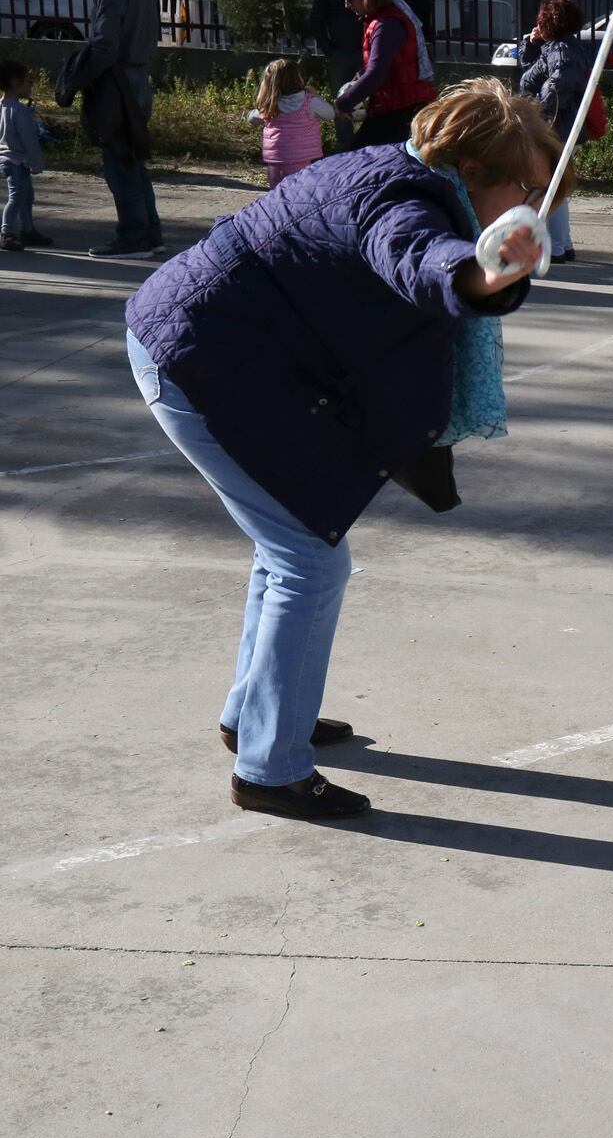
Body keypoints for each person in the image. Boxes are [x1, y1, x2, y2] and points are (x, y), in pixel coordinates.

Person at [123, 80, 562, 820]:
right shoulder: (403, 202)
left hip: (212, 349)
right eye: (530, 189)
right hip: (195, 358)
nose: (538, 208)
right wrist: (481, 273)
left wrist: (483, 271)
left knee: (290, 546)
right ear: (477, 172)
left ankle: (259, 714)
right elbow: (418, 257)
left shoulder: (401, 170)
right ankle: (270, 768)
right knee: (310, 559)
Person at [55, 0, 161, 260]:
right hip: (138, 78)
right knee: (132, 159)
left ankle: (133, 237)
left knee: (120, 163)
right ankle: (149, 234)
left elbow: (104, 45)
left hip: (118, 84)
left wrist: (72, 80)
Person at [516, 0, 594, 264]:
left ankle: (558, 247)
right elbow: (532, 72)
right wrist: (533, 44)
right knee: (553, 184)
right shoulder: (555, 47)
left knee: (549, 185)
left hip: (553, 126)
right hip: (554, 124)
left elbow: (561, 82)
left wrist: (537, 109)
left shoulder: (561, 49)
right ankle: (564, 244)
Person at [334, 0, 436, 151]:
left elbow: (377, 72)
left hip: (401, 108)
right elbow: (383, 62)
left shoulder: (386, 23)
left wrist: (344, 103)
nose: (347, 5)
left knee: (360, 158)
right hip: (398, 104)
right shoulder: (381, 19)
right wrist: (360, 76)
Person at [245, 58, 336, 188]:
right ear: (298, 78)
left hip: (275, 164)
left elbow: (251, 118)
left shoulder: (270, 107)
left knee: (278, 196)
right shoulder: (310, 102)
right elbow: (330, 113)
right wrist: (316, 96)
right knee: (301, 196)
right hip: (304, 162)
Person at [310, 0, 365, 149]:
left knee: (370, 99)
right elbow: (316, 20)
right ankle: (346, 146)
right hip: (340, 54)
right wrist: (329, 50)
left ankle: (368, 143)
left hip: (364, 53)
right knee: (341, 100)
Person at [0, 59, 49, 252]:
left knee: (26, 195)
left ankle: (27, 230)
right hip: (16, 160)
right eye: (28, 81)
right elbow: (30, 141)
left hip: (7, 159)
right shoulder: (20, 111)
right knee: (17, 196)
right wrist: (37, 163)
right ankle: (8, 232)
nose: (31, 86)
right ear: (15, 82)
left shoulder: (3, 106)